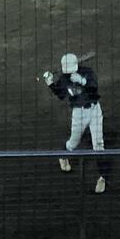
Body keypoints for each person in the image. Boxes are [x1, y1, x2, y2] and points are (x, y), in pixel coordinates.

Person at [41, 52, 108, 191]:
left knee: (99, 145)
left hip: (95, 110)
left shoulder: (87, 72)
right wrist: (51, 83)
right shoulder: (64, 79)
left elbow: (94, 89)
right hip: (79, 113)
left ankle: (102, 178)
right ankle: (63, 156)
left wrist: (83, 81)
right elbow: (60, 95)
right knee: (73, 142)